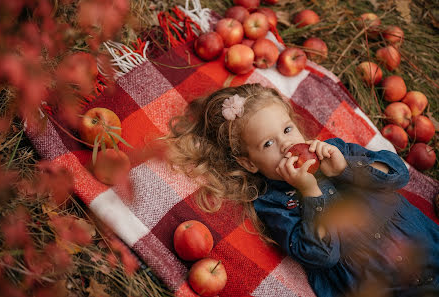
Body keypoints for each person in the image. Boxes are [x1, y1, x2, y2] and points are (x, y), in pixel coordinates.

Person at [164, 83, 439, 297]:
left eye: (287, 129)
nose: (286, 145)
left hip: (424, 246)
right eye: (268, 144)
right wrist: (310, 193)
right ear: (248, 163)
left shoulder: (336, 152)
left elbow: (398, 175)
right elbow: (321, 255)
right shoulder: (272, 204)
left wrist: (345, 168)